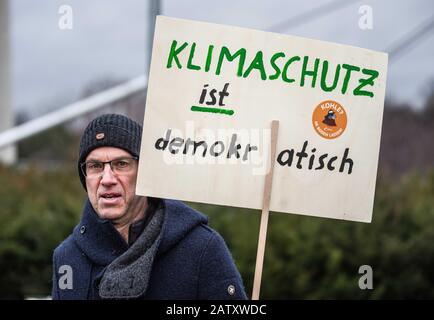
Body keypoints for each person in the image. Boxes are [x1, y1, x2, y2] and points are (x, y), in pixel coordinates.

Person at [52, 113, 247, 300]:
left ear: (145, 172)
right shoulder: (67, 257)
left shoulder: (202, 248)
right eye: (95, 166)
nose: (107, 179)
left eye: (121, 164)